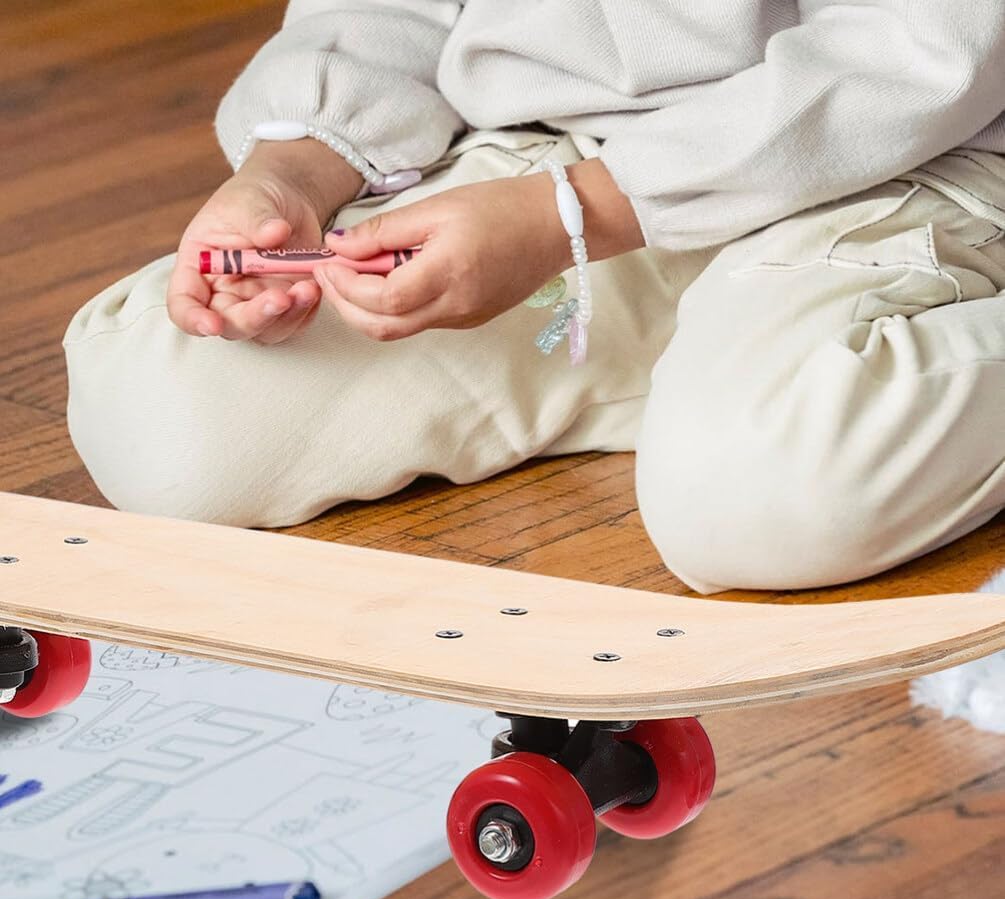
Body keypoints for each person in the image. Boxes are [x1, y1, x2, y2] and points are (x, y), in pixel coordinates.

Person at [64, 0, 1005, 594]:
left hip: (893, 162)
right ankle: (712, 361)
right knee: (160, 422)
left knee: (759, 503)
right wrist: (296, 166)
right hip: (547, 160)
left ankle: (762, 378)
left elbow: (928, 52)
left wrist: (577, 214)